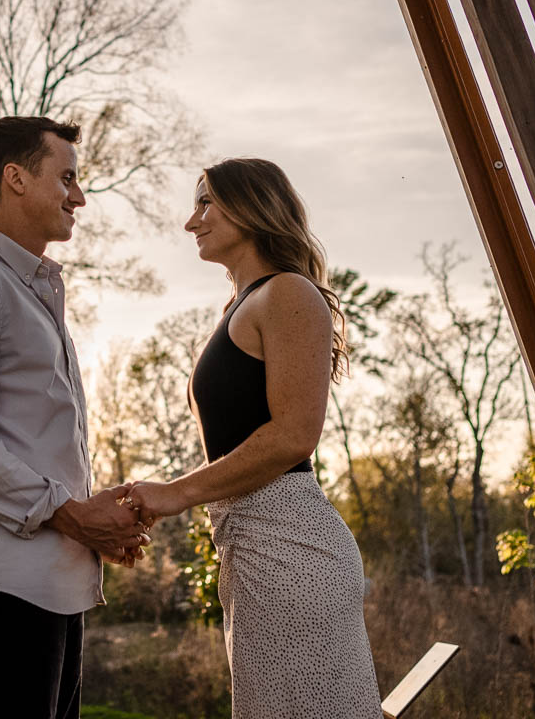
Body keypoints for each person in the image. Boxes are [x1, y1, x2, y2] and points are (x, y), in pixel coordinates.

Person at [0, 115, 149, 719]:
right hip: (1, 590)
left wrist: (94, 523)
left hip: (52, 587)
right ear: (15, 178)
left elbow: (34, 442)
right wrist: (73, 516)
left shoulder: (35, 293)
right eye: (66, 177)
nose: (80, 195)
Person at [126, 157, 383, 719]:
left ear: (251, 206)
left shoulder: (288, 293)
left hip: (292, 549)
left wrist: (177, 492)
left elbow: (293, 436)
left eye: (205, 203)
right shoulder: (241, 306)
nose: (190, 221)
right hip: (248, 547)